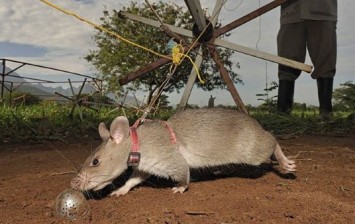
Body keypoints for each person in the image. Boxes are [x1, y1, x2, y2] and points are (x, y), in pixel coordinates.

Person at [277, 0, 337, 119]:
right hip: (291, 12)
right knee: (287, 62)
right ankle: (282, 114)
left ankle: (326, 113)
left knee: (325, 60)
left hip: (322, 11)